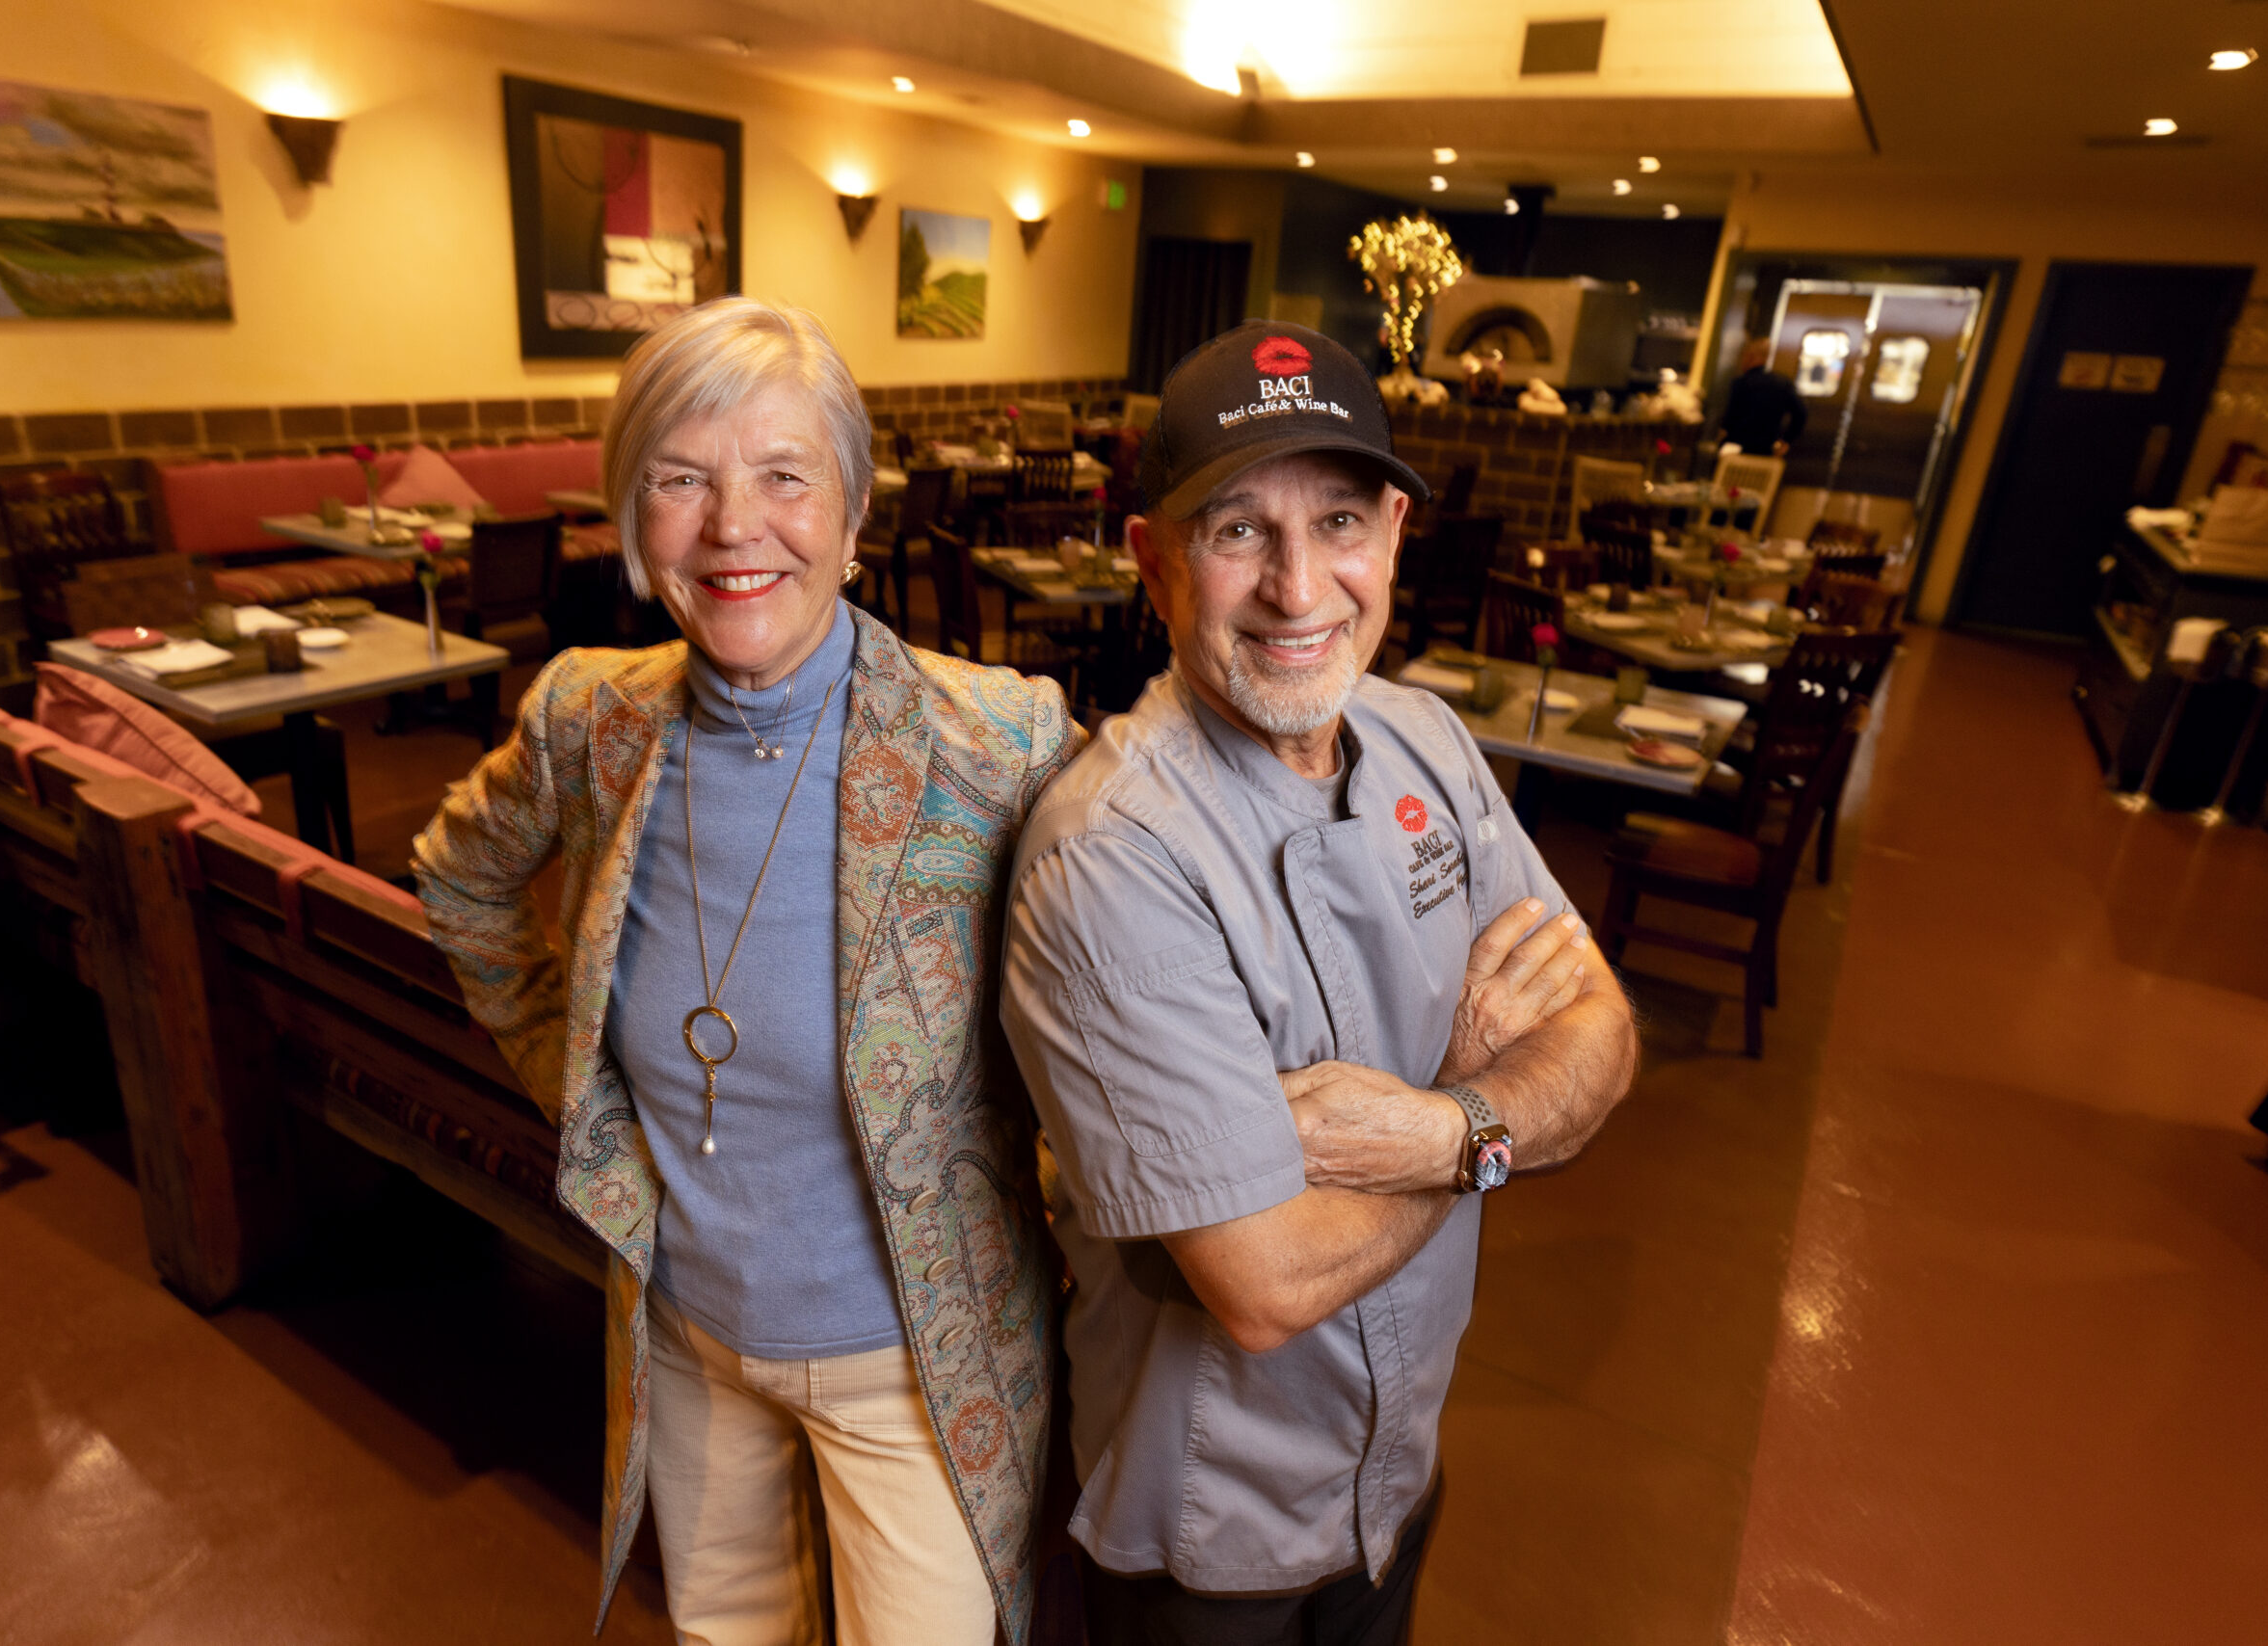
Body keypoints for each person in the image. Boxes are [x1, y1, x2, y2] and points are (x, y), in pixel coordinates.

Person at [413, 296, 1081, 1645]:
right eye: (680, 479)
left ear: (852, 509)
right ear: (627, 513)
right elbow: (462, 873)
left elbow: (1119, 1002)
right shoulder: (590, 722)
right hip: (686, 1335)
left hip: (914, 1360)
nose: (732, 526)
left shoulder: (995, 744)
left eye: (784, 476)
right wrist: (579, 1085)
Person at [999, 322, 1641, 1644]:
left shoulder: (1426, 738)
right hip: (1211, 1536)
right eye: (1238, 531)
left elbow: (1606, 1032)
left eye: (1339, 520)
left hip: (1400, 1459)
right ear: (1154, 565)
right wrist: (1491, 1110)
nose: (1300, 590)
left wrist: (1432, 1128)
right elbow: (1266, 1282)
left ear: (1396, 530)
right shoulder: (1112, 853)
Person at [1717, 334, 1807, 456]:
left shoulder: (1740, 383)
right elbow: (1801, 413)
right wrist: (1786, 440)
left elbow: (1728, 416)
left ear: (1750, 357)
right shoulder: (1783, 384)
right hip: (1765, 448)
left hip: (1734, 447)